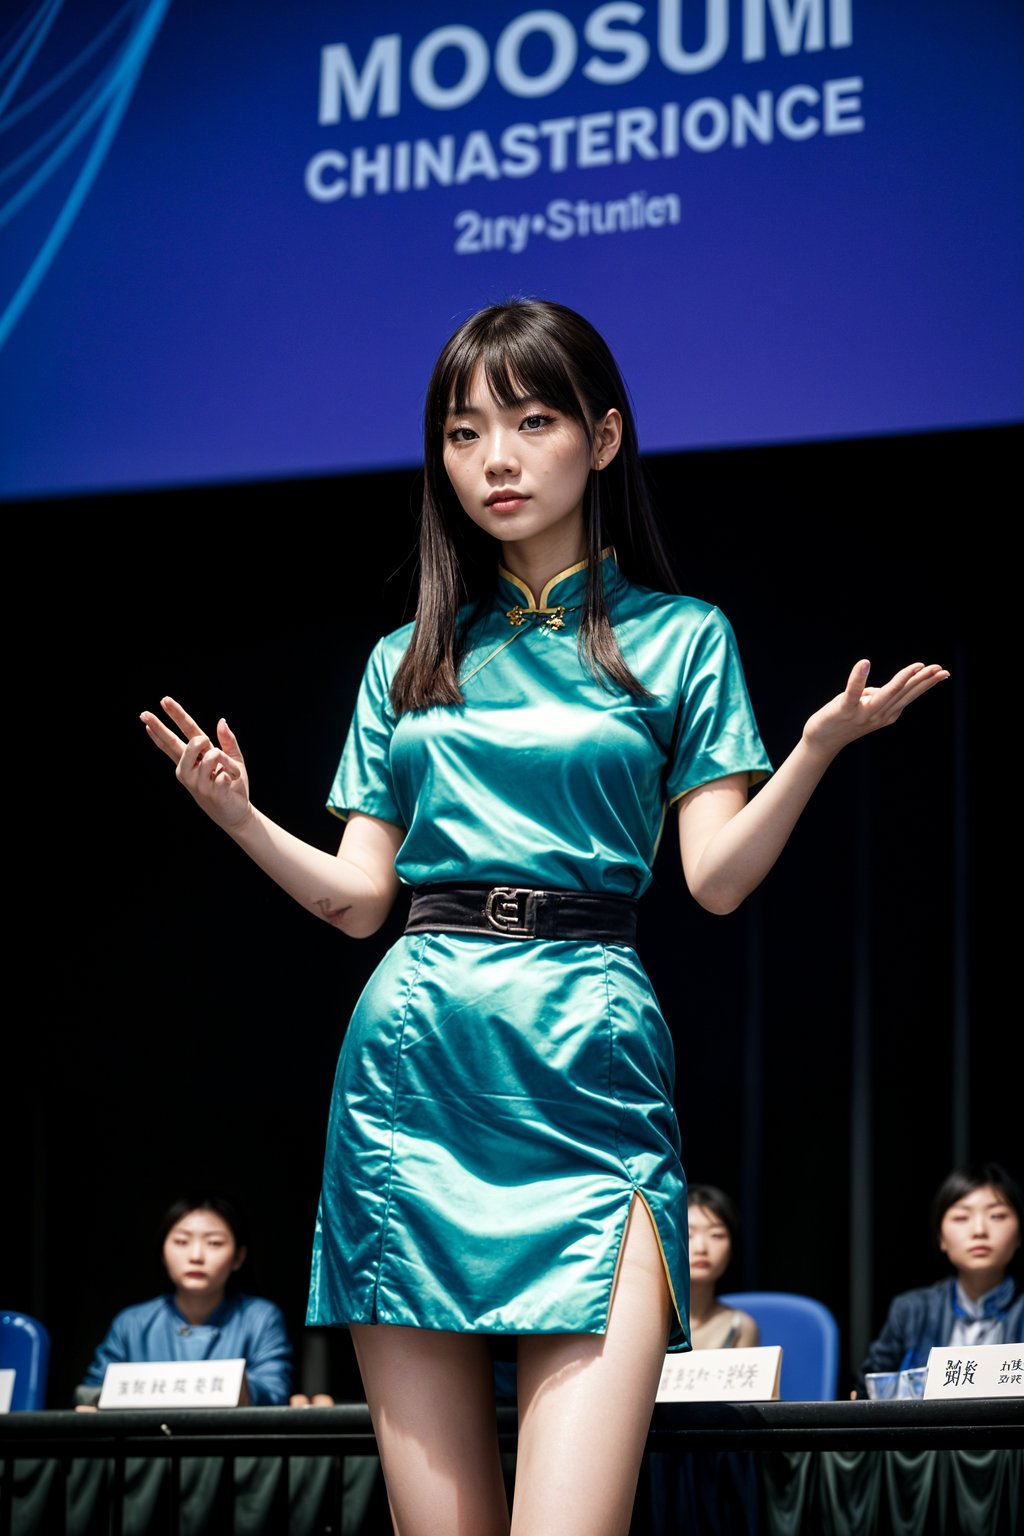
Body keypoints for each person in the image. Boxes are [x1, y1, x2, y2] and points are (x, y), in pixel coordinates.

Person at [141, 297, 947, 1536]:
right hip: (414, 1066)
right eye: (464, 435)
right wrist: (241, 819)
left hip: (588, 1057)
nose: (495, 460)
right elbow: (361, 902)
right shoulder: (407, 656)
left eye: (529, 421)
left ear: (605, 436)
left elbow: (717, 877)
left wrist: (817, 749)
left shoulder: (682, 638)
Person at [78, 1194, 294, 1407]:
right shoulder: (131, 1322)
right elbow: (91, 1393)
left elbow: (275, 1391)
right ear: (163, 1251)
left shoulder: (260, 1318)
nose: (196, 1256)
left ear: (238, 1257)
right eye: (181, 1241)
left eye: (214, 1243)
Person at [856, 1161, 1023, 1395]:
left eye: (996, 1216)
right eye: (961, 1218)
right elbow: (867, 1393)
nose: (979, 1230)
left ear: (1019, 1235)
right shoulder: (911, 1310)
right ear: (941, 1238)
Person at [687, 1185, 759, 1349]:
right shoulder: (641, 1320)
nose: (701, 1248)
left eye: (716, 1235)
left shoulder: (740, 1326)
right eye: (687, 1234)